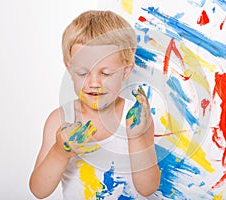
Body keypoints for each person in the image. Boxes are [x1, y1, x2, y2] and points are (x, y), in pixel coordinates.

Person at [29, 10, 160, 199]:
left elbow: (148, 188)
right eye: (82, 73)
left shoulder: (135, 119)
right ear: (70, 70)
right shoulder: (61, 119)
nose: (94, 83)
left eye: (105, 73)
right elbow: (38, 190)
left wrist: (137, 138)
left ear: (125, 71)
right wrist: (59, 152)